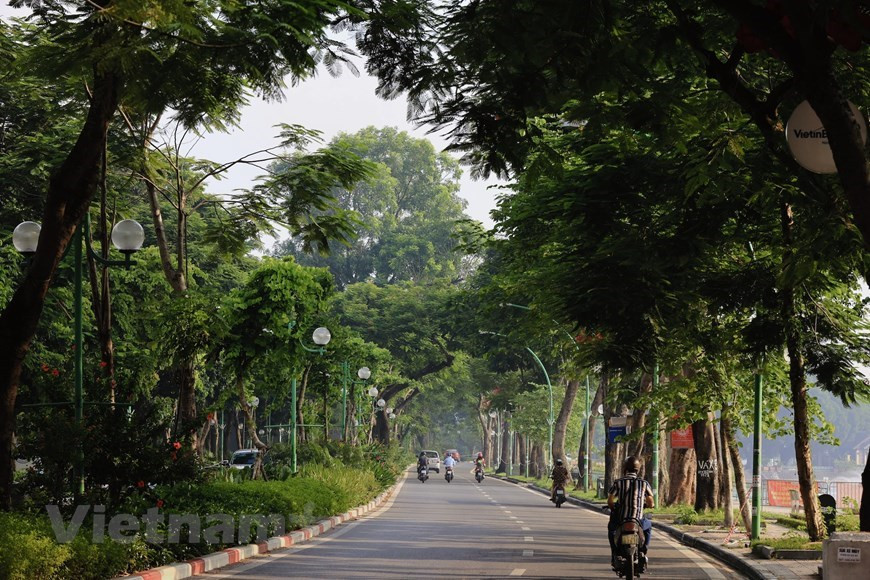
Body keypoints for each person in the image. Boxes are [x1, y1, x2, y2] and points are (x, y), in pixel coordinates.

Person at [607, 456, 654, 569]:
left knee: (611, 530)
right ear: (638, 469)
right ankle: (644, 549)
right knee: (648, 527)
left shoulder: (618, 483)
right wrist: (647, 505)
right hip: (638, 520)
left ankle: (615, 552)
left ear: (625, 469)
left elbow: (610, 501)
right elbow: (651, 502)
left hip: (621, 519)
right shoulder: (644, 483)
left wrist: (613, 507)